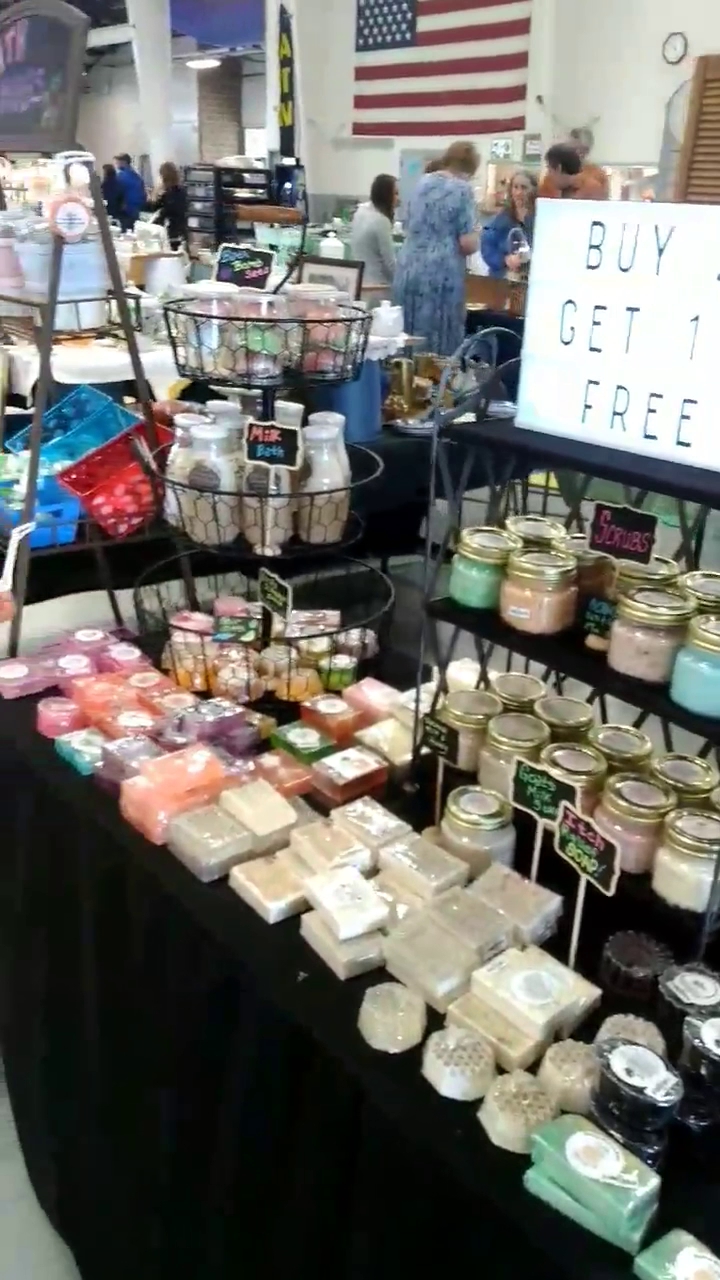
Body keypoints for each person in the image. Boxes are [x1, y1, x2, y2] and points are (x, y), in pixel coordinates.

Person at [393, 140, 479, 356]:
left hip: (408, 266)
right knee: (438, 341)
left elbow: (408, 222)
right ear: (469, 169)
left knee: (407, 334)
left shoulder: (421, 183)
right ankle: (435, 377)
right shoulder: (463, 190)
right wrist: (478, 234)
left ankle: (403, 374)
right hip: (440, 273)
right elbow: (467, 243)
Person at [480, 170, 536, 278]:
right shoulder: (501, 219)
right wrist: (505, 260)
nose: (518, 192)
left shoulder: (539, 218)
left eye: (524, 188)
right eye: (515, 187)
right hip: (503, 278)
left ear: (533, 190)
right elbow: (487, 245)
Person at [349, 173, 398, 289]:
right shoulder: (381, 221)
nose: (398, 198)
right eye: (395, 193)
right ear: (386, 195)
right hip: (377, 284)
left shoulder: (360, 212)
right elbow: (390, 262)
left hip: (358, 280)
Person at [538, 136, 608, 201]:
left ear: (559, 168)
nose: (548, 173)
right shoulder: (548, 184)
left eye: (549, 169)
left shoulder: (593, 189)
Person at [145, 161, 188, 250]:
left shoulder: (168, 193)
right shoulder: (181, 190)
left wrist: (153, 197)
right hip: (180, 230)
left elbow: (156, 208)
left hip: (170, 231)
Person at [113, 152, 146, 232]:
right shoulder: (136, 175)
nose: (116, 165)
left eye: (117, 162)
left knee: (124, 233)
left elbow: (116, 193)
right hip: (137, 209)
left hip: (126, 210)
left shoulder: (121, 176)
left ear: (123, 162)